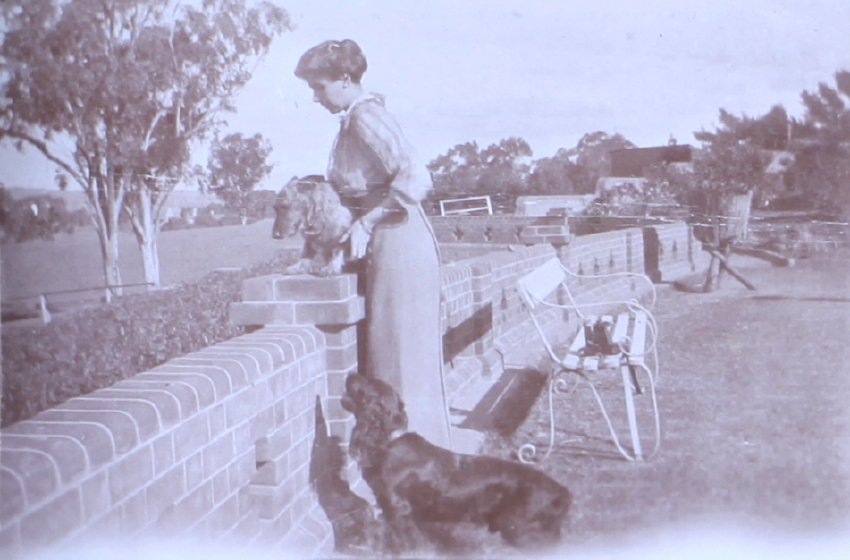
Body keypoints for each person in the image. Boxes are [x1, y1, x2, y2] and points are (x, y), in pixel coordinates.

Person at [295, 39, 452, 448]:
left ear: (345, 80)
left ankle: (419, 470)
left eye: (320, 87)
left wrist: (366, 221)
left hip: (400, 241)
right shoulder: (354, 119)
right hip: (389, 243)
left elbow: (416, 177)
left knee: (401, 362)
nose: (315, 97)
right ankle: (407, 468)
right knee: (390, 359)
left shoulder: (366, 118)